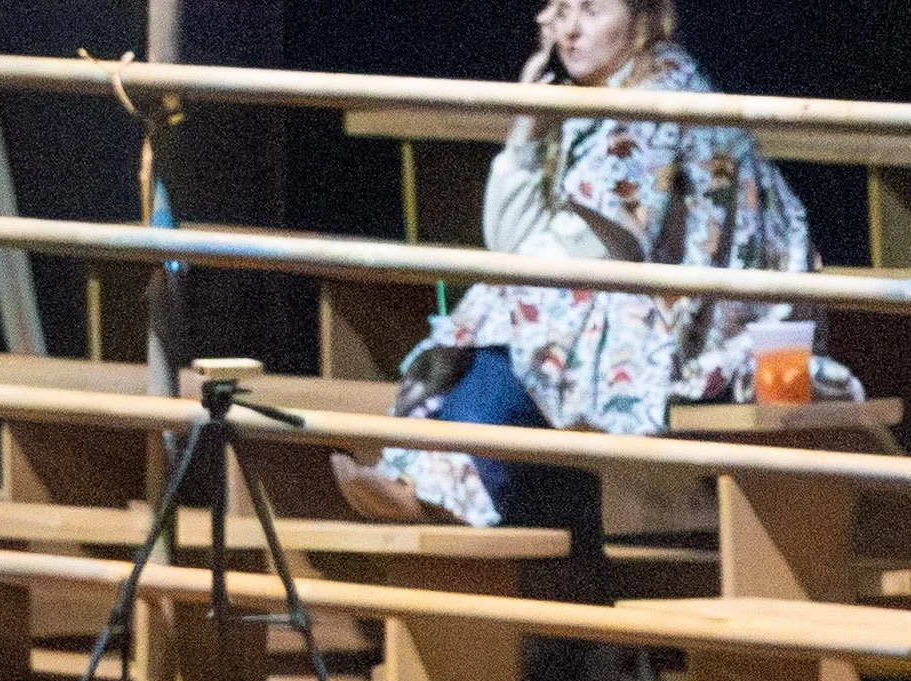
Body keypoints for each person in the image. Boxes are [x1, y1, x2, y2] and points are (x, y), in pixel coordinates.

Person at [333, 0, 855, 555]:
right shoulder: (593, 99)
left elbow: (579, 253)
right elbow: (510, 244)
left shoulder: (659, 96)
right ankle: (439, 486)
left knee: (519, 312)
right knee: (511, 305)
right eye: (562, 10)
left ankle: (445, 484)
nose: (572, 29)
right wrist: (527, 128)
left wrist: (514, 277)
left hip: (711, 324)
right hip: (628, 300)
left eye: (593, 10)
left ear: (643, 18)